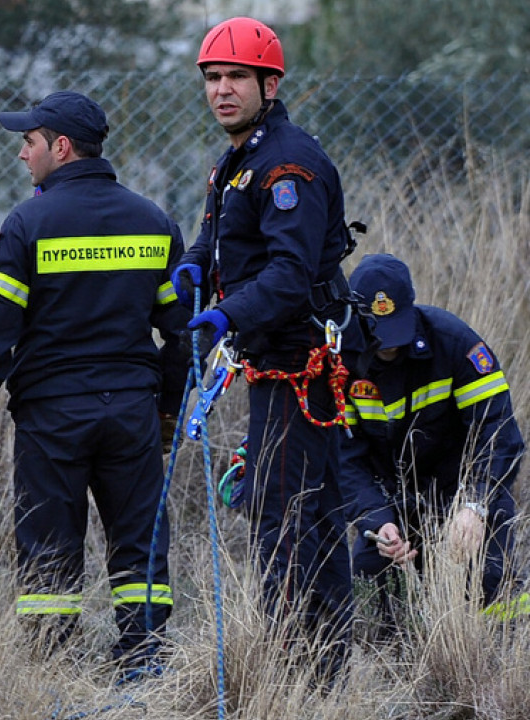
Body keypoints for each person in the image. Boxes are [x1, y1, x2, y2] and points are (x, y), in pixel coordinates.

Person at [0, 91, 189, 676]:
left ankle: (52, 665)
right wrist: (166, 410)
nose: (23, 155)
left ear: (60, 147)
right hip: (132, 410)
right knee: (138, 540)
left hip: (53, 415)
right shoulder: (154, 221)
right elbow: (182, 336)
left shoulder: (28, 223)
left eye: (28, 143)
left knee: (49, 541)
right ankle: (143, 659)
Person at [173, 17, 365, 678]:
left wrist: (221, 317)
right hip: (272, 359)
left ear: (269, 83)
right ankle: (325, 669)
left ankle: (291, 667)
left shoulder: (288, 163)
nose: (222, 90)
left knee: (281, 512)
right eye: (212, 78)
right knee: (303, 509)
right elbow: (218, 241)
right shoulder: (238, 157)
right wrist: (194, 269)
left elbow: (287, 273)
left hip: (300, 360)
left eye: (235, 78)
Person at [344, 253, 526, 621]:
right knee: (372, 594)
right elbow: (345, 459)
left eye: (396, 332)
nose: (388, 348)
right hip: (392, 501)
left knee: (493, 583)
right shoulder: (340, 363)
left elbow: (500, 434)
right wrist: (378, 523)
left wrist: (475, 505)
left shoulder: (455, 343)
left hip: (462, 492)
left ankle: (508, 641)